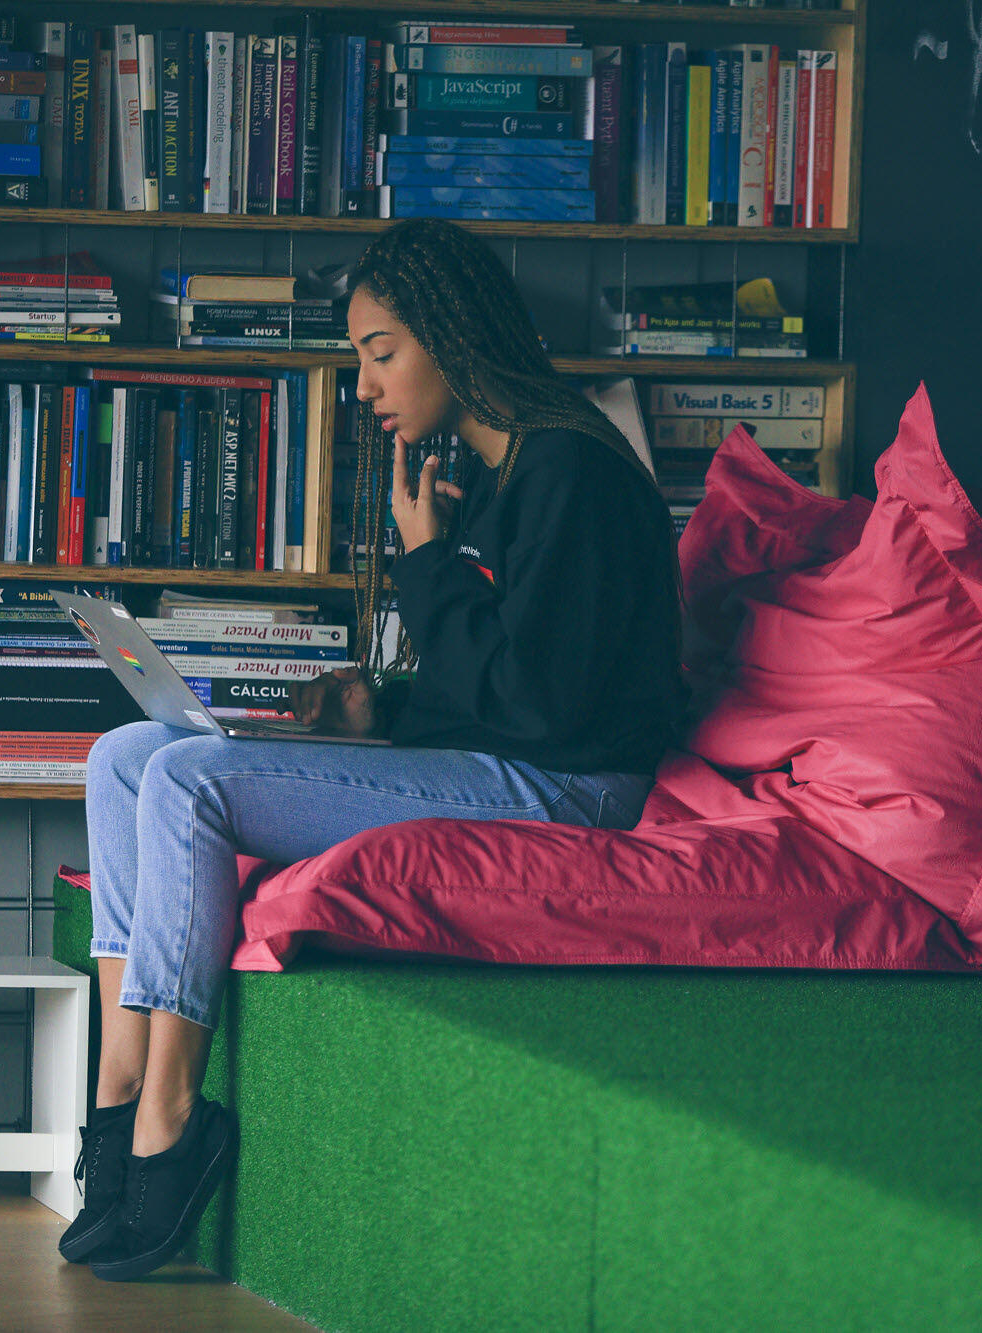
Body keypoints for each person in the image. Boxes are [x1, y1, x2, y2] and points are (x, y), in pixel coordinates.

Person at [63, 218, 688, 1282]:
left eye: (379, 351)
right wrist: (378, 711)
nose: (363, 385)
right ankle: (118, 1088)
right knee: (123, 754)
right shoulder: (495, 476)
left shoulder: (571, 472)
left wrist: (430, 562)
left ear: (452, 337)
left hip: (566, 789)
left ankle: (169, 1121)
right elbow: (494, 682)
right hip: (511, 759)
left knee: (186, 781)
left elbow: (542, 708)